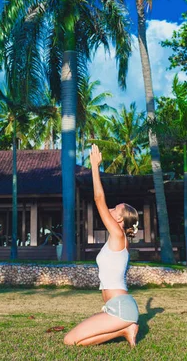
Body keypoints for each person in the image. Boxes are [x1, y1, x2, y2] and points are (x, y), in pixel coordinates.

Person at [63, 144, 140, 347]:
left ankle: (125, 326)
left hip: (121, 307)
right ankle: (126, 328)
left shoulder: (117, 234)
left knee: (69, 340)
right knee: (76, 342)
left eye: (116, 209)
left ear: (120, 219)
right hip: (114, 307)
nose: (112, 209)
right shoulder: (117, 239)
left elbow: (99, 199)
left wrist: (95, 166)